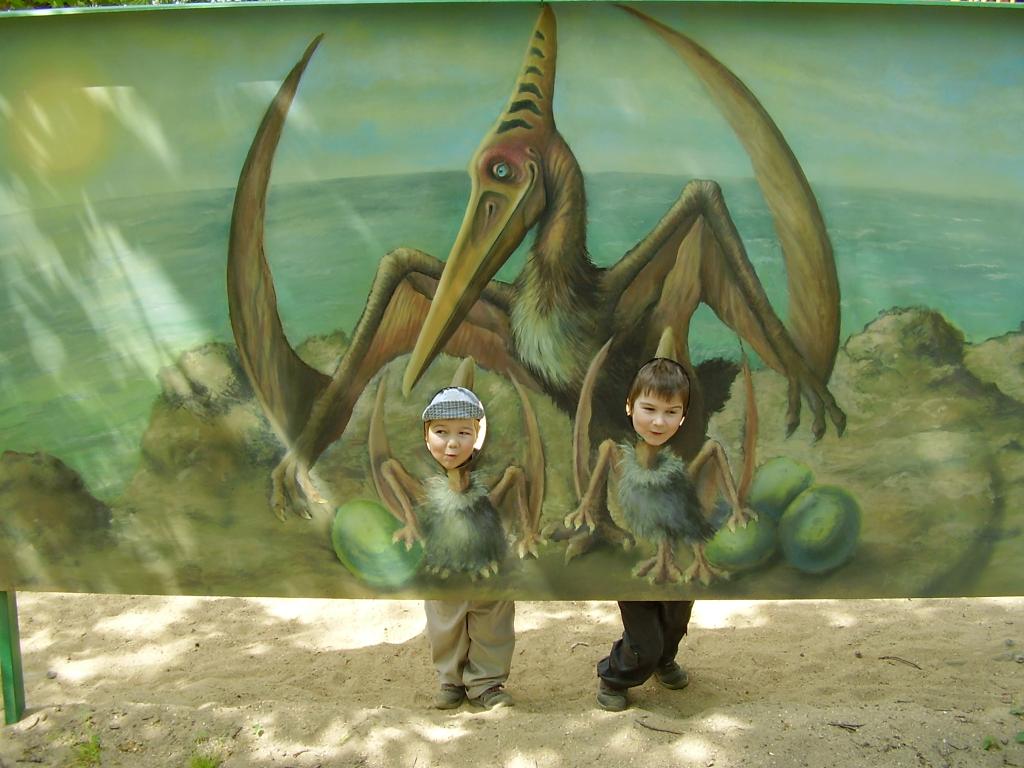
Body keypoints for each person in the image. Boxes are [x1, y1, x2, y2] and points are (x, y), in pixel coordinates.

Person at [595, 357, 703, 712]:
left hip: (673, 558)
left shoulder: (683, 457)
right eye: (649, 409)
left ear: (683, 416)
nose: (659, 421)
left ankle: (664, 659)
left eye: (671, 412)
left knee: (676, 621)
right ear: (629, 406)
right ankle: (614, 676)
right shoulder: (618, 455)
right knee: (644, 637)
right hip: (634, 560)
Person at [419, 386, 515, 710]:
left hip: (488, 561)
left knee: (492, 623)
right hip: (443, 563)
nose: (452, 443)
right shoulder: (421, 476)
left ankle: (486, 683)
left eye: (464, 432)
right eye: (441, 432)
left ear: (478, 434)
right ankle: (451, 680)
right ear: (425, 434)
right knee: (445, 624)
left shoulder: (490, 469)